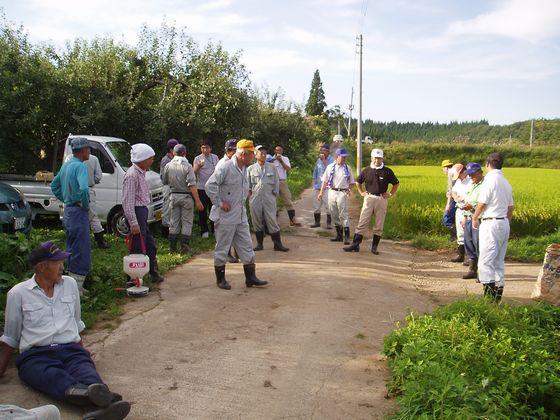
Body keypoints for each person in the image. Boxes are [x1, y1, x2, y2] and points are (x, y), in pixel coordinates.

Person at [0, 242, 130, 420]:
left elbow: (76, 323)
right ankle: (101, 402)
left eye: (62, 262)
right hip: (36, 355)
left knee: (86, 371)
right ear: (41, 267)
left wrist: (82, 353)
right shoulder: (18, 293)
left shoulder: (70, 285)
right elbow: (10, 337)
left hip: (69, 348)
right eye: (57, 263)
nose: (62, 267)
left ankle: (94, 397)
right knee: (51, 376)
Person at [205, 140, 269, 290]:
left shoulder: (244, 168)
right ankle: (220, 279)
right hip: (225, 216)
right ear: (243, 155)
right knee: (223, 246)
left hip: (240, 215)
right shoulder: (225, 167)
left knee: (246, 245)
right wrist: (220, 203)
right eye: (252, 154)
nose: (254, 157)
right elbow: (209, 186)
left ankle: (250, 277)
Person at [51, 137, 91, 295]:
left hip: (68, 211)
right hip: (78, 211)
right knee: (81, 247)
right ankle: (77, 288)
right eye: (88, 148)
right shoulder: (80, 167)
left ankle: (69, 283)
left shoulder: (67, 165)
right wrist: (85, 205)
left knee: (71, 246)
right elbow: (83, 189)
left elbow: (55, 185)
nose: (89, 151)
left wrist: (65, 198)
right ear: (82, 150)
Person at [472, 153, 513, 303]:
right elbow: (510, 208)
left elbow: (482, 203)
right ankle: (497, 299)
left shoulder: (489, 180)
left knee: (486, 261)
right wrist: (506, 223)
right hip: (503, 222)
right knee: (498, 262)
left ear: (487, 164)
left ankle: (488, 301)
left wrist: (475, 217)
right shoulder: (505, 182)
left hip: (491, 222)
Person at [343, 148, 399, 254]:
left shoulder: (387, 171)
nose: (377, 161)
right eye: (375, 158)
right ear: (372, 158)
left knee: (379, 224)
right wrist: (361, 192)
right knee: (362, 222)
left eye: (379, 158)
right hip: (369, 198)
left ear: (382, 159)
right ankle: (355, 245)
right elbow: (358, 182)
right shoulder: (367, 170)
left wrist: (390, 193)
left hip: (381, 199)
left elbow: (396, 183)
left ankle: (374, 247)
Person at [123, 143, 164, 283]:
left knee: (150, 244)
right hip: (136, 212)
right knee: (137, 247)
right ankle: (133, 279)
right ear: (142, 159)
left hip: (142, 212)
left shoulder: (141, 173)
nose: (152, 161)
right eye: (150, 158)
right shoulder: (132, 175)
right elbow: (127, 202)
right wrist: (133, 222)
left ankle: (153, 272)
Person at [162, 144, 204, 253]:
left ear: (174, 153)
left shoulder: (168, 165)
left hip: (173, 196)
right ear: (184, 153)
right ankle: (184, 247)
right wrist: (198, 201)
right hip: (186, 196)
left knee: (174, 222)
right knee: (186, 222)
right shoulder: (187, 166)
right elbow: (192, 185)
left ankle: (172, 248)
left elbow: (165, 181)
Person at [247, 145, 289, 252]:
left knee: (272, 220)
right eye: (261, 153)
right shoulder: (250, 169)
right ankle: (259, 244)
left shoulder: (272, 167)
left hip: (269, 197)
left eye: (265, 153)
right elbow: (247, 185)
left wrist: (274, 195)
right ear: (255, 155)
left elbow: (276, 182)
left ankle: (277, 244)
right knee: (256, 220)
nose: (264, 155)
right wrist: (250, 196)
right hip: (255, 198)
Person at [318, 148, 355, 245]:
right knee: (333, 213)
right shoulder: (330, 167)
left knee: (343, 213)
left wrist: (348, 189)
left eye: (345, 157)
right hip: (332, 192)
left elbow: (351, 182)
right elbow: (325, 181)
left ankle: (346, 236)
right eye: (342, 157)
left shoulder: (347, 168)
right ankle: (339, 235)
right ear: (337, 157)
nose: (344, 159)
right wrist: (321, 192)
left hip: (342, 192)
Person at [461, 162, 484, 279]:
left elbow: (483, 204)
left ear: (480, 173)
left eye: (473, 175)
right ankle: (472, 269)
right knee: (468, 243)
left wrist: (472, 207)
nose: (470, 177)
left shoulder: (485, 185)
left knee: (478, 245)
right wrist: (465, 217)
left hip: (478, 219)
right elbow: (467, 200)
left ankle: (482, 273)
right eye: (469, 175)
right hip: (469, 218)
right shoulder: (471, 184)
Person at [193, 141, 219, 239]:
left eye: (207, 148)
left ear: (210, 149)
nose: (205, 150)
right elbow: (193, 172)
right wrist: (198, 166)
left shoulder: (215, 157)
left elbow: (218, 170)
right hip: (201, 188)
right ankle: (204, 230)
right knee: (202, 210)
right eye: (203, 148)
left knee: (213, 208)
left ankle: (214, 229)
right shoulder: (197, 158)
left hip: (213, 188)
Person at [272, 145, 302, 227]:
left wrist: (281, 161)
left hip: (282, 182)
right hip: (273, 182)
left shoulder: (285, 159)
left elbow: (288, 169)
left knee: (288, 200)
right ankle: (275, 222)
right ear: (274, 151)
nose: (278, 152)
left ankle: (292, 220)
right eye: (277, 150)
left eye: (280, 150)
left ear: (282, 151)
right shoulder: (270, 159)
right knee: (274, 202)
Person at [85, 154, 109, 249]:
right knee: (93, 216)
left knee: (80, 217)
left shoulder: (70, 158)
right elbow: (98, 176)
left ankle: (84, 241)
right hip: (88, 189)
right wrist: (91, 181)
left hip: (73, 191)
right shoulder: (94, 158)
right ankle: (100, 241)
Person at [450, 163, 471, 263]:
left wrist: (463, 198)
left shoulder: (471, 181)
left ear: (464, 171)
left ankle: (471, 257)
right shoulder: (458, 181)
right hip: (459, 208)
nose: (458, 177)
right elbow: (453, 191)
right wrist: (455, 196)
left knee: (469, 234)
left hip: (468, 209)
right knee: (460, 233)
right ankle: (460, 255)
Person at [310, 144, 334, 229]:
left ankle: (329, 224)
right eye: (321, 150)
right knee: (316, 205)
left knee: (328, 205)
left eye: (324, 150)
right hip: (318, 186)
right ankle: (317, 222)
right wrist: (314, 183)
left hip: (327, 186)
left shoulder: (332, 160)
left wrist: (324, 161)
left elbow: (330, 171)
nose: (322, 152)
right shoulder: (318, 160)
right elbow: (315, 171)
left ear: (328, 151)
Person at [159, 139, 179, 236]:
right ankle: (165, 231)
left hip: (175, 187)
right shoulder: (165, 160)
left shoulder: (177, 159)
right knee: (167, 208)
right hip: (167, 186)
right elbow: (163, 177)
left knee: (173, 209)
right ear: (171, 150)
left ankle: (173, 230)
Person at [441, 159, 457, 242]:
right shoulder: (455, 172)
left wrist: (448, 204)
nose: (443, 171)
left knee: (446, 219)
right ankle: (454, 238)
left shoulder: (450, 173)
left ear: (445, 168)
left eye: (442, 169)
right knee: (453, 218)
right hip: (458, 199)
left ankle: (455, 237)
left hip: (453, 200)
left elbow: (451, 190)